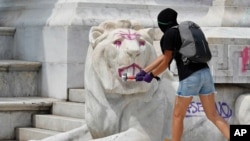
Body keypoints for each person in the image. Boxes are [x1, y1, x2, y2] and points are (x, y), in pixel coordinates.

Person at [135, 8, 230, 141]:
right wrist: (145, 71)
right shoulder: (183, 33)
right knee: (213, 115)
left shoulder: (169, 35)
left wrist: (151, 75)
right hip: (205, 73)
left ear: (162, 24)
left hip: (191, 77)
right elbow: (163, 57)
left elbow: (165, 62)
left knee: (178, 116)